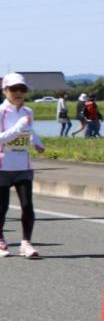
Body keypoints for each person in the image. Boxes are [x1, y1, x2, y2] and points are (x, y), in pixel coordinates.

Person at [0, 73, 46, 258]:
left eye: (22, 89)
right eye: (13, 89)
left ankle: (26, 243)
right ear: (5, 91)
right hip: (3, 166)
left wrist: (37, 141)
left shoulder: (28, 111)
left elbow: (29, 131)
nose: (18, 93)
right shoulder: (1, 112)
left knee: (27, 206)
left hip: (23, 166)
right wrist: (17, 129)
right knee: (2, 208)